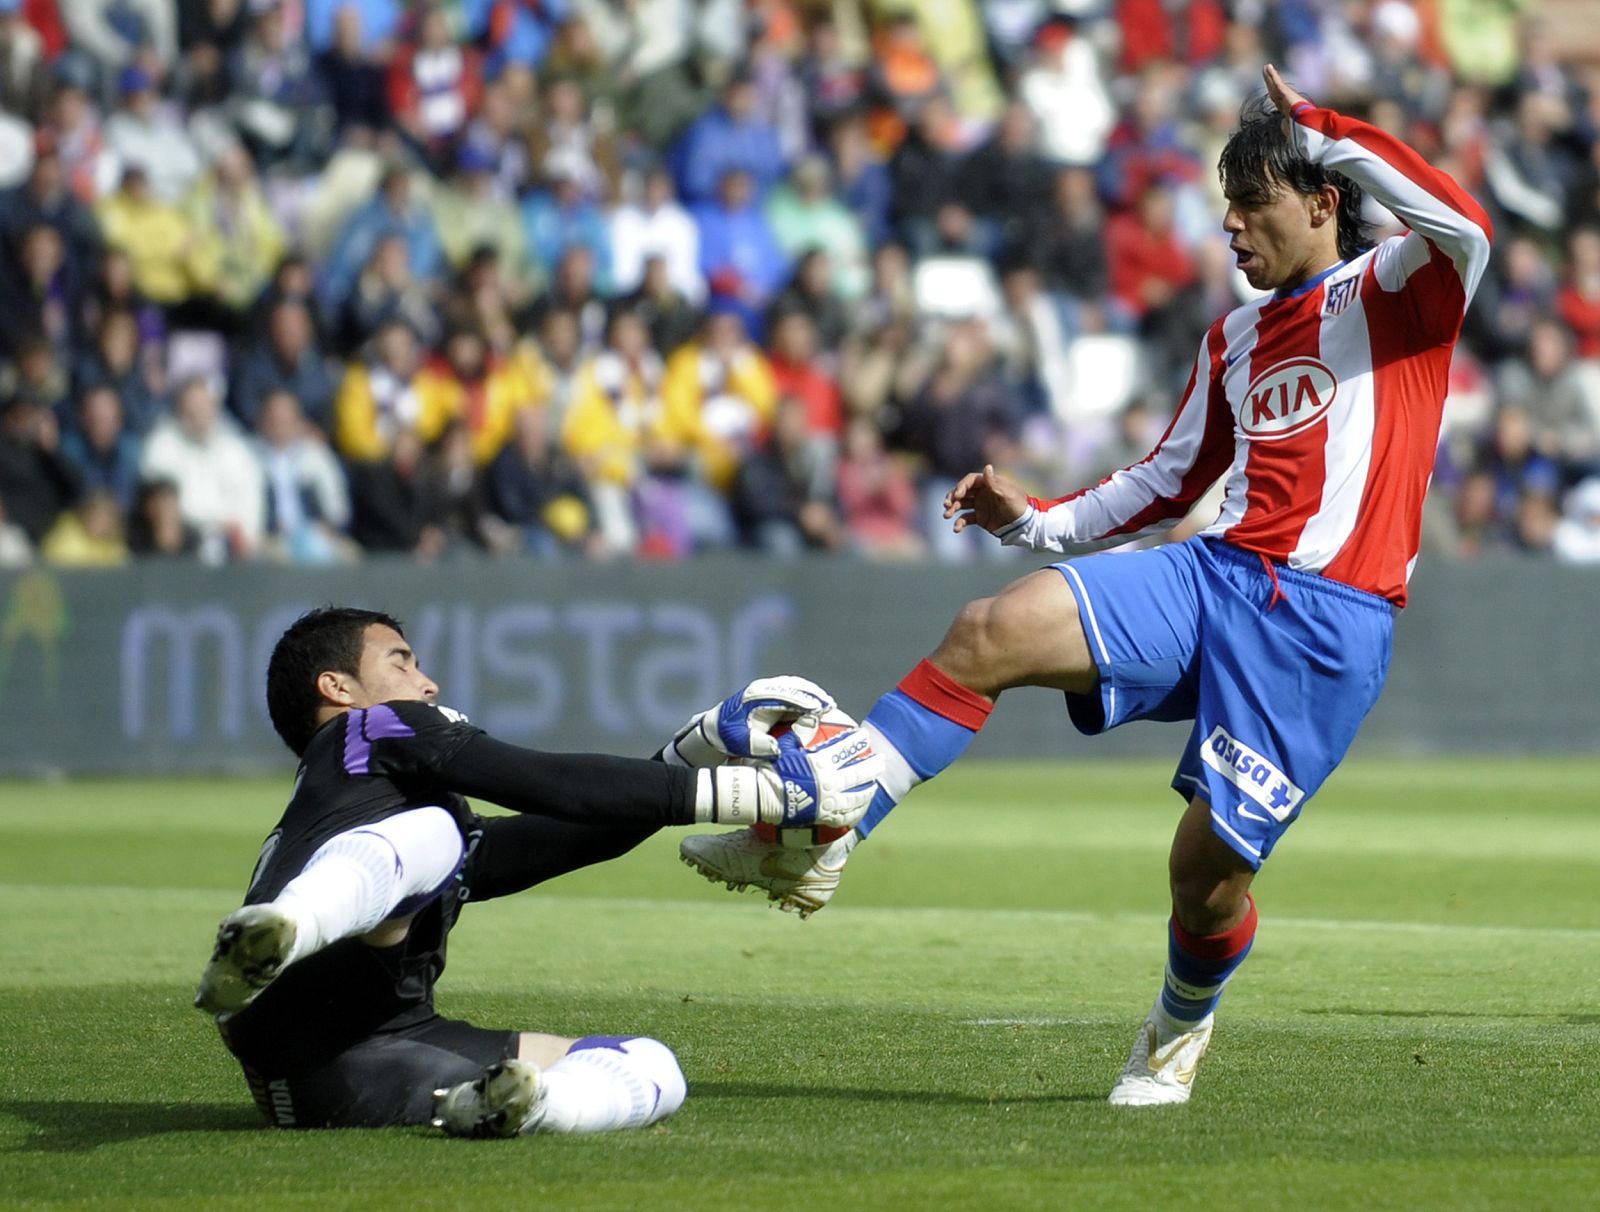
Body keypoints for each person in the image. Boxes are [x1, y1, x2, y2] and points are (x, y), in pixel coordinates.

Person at [681, 66, 1492, 1107]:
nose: (1233, 230)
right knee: (991, 629)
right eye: (1225, 211)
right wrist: (1037, 524)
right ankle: (819, 830)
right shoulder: (1231, 340)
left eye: (1253, 207)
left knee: (1203, 884)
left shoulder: (1397, 290)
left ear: (1322, 202)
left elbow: (1466, 222)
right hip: (1216, 574)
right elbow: (1168, 479)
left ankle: (1172, 1035)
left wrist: (1318, 126)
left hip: (1324, 627)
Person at [193, 607, 881, 1135]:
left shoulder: (383, 806)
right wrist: (752, 795)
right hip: (298, 1008)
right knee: (434, 834)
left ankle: (519, 1107)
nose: (425, 681)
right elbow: (548, 782)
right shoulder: (365, 730)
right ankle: (279, 929)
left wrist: (681, 761)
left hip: (345, 1071)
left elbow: (569, 834)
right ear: (337, 686)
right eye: (401, 663)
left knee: (653, 1066)